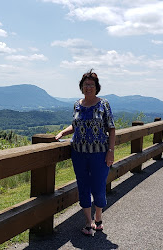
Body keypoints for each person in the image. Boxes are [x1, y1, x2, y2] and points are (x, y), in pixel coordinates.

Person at [55, 69, 116, 236]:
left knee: (98, 186)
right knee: (83, 186)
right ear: (81, 87)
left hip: (100, 153)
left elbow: (111, 128)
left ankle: (99, 218)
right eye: (85, 84)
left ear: (97, 87)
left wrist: (111, 151)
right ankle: (88, 224)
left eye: (91, 84)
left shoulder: (104, 104)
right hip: (79, 153)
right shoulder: (77, 104)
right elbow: (75, 125)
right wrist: (62, 133)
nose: (88, 87)